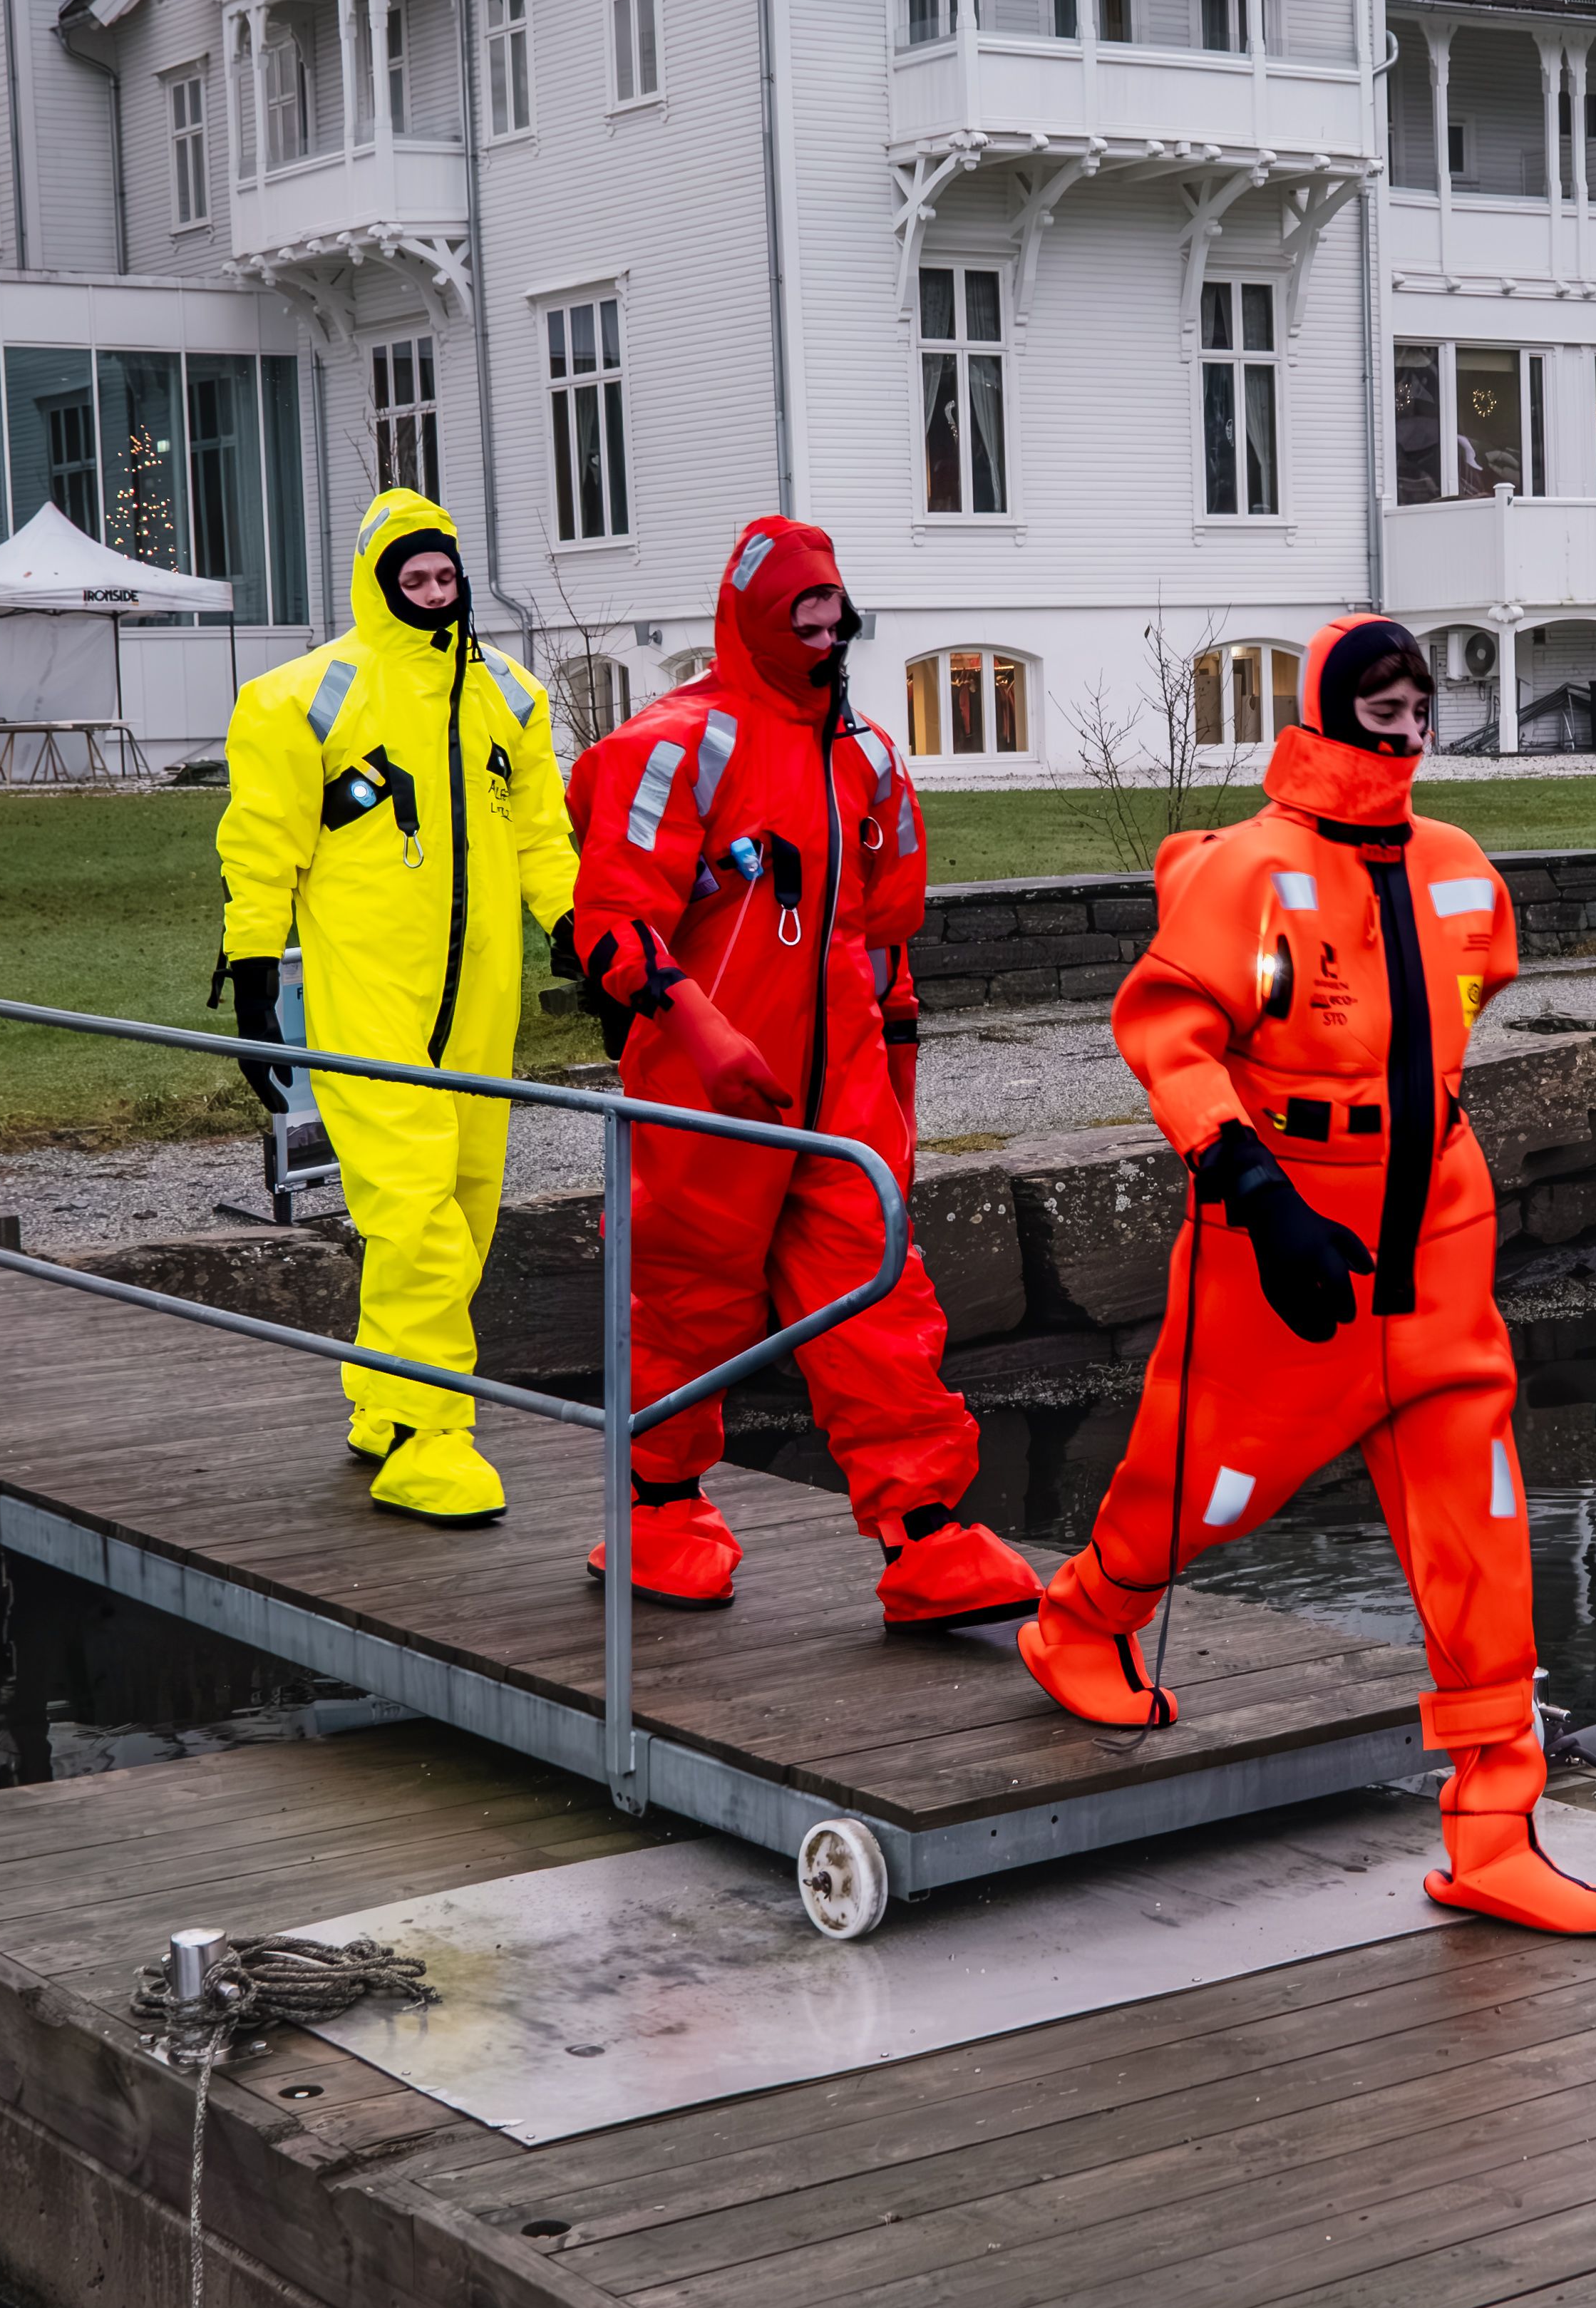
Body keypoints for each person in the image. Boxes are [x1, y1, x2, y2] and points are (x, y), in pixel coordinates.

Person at [1016, 613, 1596, 1939]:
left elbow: (1459, 1014)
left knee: (1486, 1540)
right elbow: (1168, 1034)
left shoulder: (1462, 868)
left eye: (1418, 693)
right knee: (1209, 1490)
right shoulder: (1248, 870)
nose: (1405, 714)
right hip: (1281, 1237)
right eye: (1381, 694)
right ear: (1332, 706)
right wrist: (1249, 1188)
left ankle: (1493, 1827)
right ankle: (1084, 1618)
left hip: (1439, 1252)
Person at [562, 515, 1038, 1629]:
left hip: (839, 1089)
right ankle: (658, 1509)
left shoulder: (864, 755)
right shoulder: (679, 745)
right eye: (803, 613)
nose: (826, 631)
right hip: (701, 1086)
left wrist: (898, 1078)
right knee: (683, 1297)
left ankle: (926, 1535)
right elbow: (610, 927)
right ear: (757, 619)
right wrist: (703, 1035)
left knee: (878, 1299)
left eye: (834, 611)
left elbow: (882, 941)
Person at [215, 486, 577, 1525]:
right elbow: (262, 844)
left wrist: (579, 929)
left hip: (479, 1004)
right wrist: (251, 977)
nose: (432, 592)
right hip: (369, 997)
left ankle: (383, 1399)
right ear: (379, 585)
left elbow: (542, 837)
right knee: (415, 1212)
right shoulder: (304, 698)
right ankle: (431, 1436)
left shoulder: (506, 693)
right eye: (412, 578)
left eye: (443, 575)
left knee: (464, 1200)